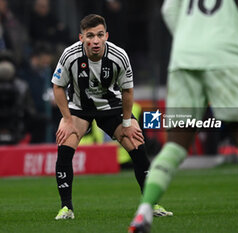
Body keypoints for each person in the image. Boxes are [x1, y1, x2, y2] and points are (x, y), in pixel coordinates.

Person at [129, 1, 238, 233]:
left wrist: (190, 38)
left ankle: (143, 212)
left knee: (176, 144)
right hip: (226, 57)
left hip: (184, 58)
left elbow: (168, 9)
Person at [51, 14, 172, 220]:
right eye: (90, 36)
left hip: (111, 107)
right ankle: (66, 208)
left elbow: (127, 91)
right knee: (64, 148)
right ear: (82, 38)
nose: (95, 41)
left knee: (137, 146)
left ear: (106, 36)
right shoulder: (70, 55)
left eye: (99, 35)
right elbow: (58, 86)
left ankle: (151, 205)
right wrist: (68, 120)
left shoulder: (119, 56)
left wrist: (127, 123)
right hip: (79, 108)